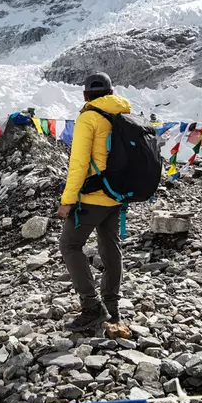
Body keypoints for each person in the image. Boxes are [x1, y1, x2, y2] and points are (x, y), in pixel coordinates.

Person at [57, 72, 131, 332]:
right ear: (111, 92)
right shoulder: (120, 114)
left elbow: (78, 164)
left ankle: (91, 306)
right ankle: (112, 307)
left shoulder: (88, 118)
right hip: (117, 193)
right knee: (110, 245)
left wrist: (67, 200)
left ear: (86, 94)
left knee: (69, 244)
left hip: (92, 195)